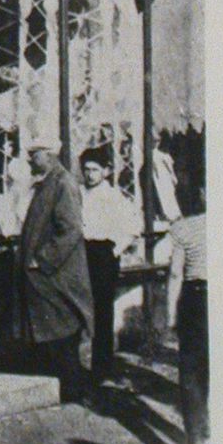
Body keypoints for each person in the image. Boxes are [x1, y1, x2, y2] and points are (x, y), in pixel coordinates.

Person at [16, 139, 95, 406]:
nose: (30, 160)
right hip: (49, 276)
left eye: (34, 154)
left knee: (62, 333)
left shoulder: (63, 183)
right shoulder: (48, 182)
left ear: (49, 155)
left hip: (59, 276)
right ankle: (70, 390)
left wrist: (44, 259)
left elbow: (71, 229)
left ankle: (75, 392)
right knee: (56, 333)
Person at [78, 149, 139, 383]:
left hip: (103, 254)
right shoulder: (79, 193)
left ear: (106, 171)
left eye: (95, 170)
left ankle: (101, 368)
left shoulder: (113, 196)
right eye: (86, 170)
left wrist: (113, 252)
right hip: (81, 252)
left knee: (102, 312)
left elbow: (132, 229)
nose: (90, 174)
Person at [167, 166, 209, 444]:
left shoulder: (182, 229)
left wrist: (170, 315)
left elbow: (175, 274)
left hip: (196, 298)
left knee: (191, 371)